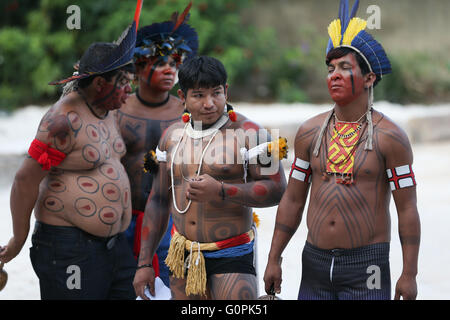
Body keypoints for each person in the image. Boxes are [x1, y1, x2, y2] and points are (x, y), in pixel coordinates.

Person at [263, 0, 420, 300]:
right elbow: (293, 200)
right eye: (330, 68)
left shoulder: (391, 138)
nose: (333, 74)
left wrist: (409, 274)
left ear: (369, 78)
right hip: (315, 264)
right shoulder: (310, 132)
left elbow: (407, 209)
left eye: (345, 68)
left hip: (368, 267)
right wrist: (274, 257)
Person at [0, 11, 141, 299]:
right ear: (100, 84)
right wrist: (18, 239)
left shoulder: (109, 111)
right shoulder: (63, 121)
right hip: (69, 250)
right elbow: (25, 180)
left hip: (116, 249)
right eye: (124, 82)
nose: (129, 91)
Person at [133, 56, 287, 300]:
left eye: (216, 93)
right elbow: (159, 200)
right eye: (199, 95)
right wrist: (144, 264)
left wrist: (222, 191)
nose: (209, 103)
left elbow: (278, 189)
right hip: (181, 255)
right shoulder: (170, 137)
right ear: (182, 97)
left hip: (231, 253)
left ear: (226, 91)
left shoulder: (253, 134)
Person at [117, 3, 198, 287]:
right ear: (139, 68)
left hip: (172, 221)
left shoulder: (187, 112)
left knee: (174, 289)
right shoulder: (116, 108)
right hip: (120, 220)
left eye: (174, 64)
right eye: (160, 63)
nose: (170, 70)